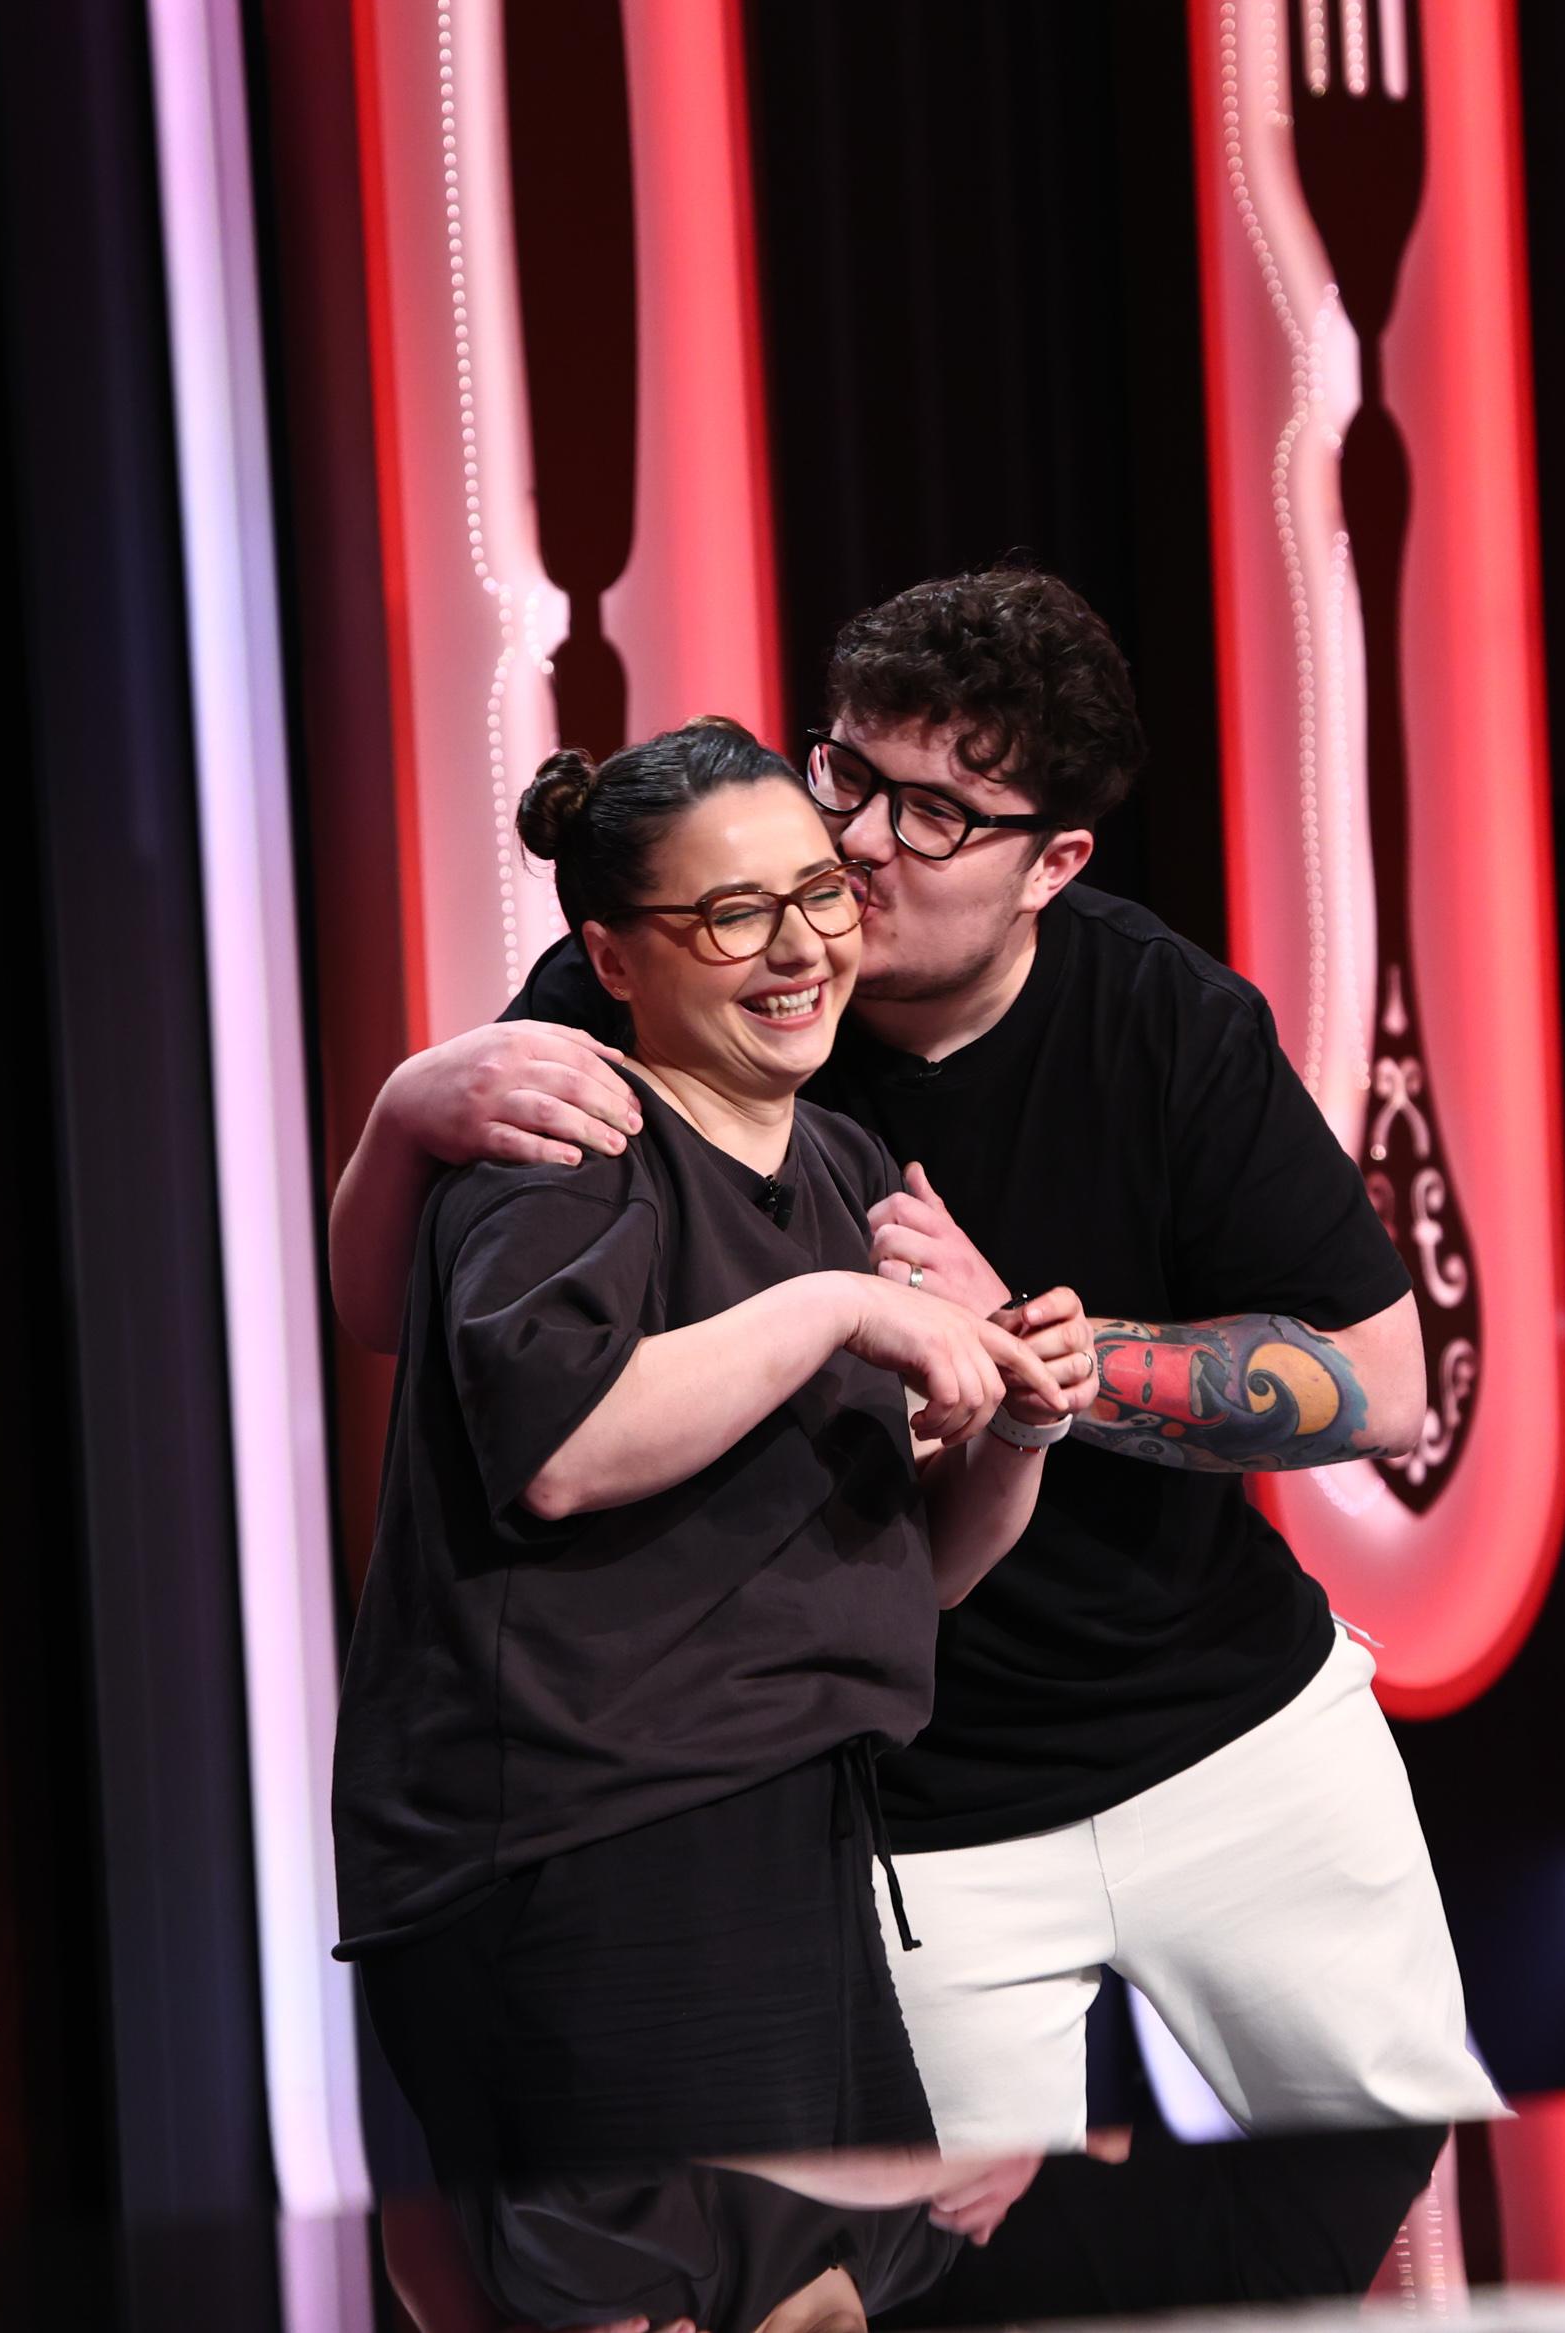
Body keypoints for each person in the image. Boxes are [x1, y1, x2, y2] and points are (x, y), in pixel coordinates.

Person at [328, 570, 1503, 2195]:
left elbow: (1382, 1386)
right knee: (944, 2263)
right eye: (848, 775)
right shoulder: (653, 997)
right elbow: (425, 1334)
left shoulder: (1158, 1016)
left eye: (936, 814)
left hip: (1226, 1732)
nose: (860, 848)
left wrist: (1025, 1353)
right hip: (912, 1799)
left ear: (1054, 864)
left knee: (1416, 2186)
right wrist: (406, 1109)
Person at [333, 715, 1094, 2182]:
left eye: (820, 894)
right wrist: (836, 1308)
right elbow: (563, 1444)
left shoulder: (842, 1164)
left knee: (830, 2272)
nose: (800, 947)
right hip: (593, 1845)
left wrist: (1021, 1422)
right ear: (615, 958)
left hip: (794, 1822)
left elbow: (914, 1569)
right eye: (735, 913)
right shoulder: (569, 1142)